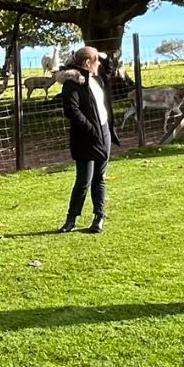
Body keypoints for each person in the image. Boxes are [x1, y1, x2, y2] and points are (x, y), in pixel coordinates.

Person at [58, 46, 119, 232]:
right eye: (96, 61)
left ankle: (98, 217)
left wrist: (103, 55)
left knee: (100, 177)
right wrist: (90, 128)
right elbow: (71, 110)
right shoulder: (73, 83)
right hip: (85, 135)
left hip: (104, 132)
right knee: (84, 179)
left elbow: (109, 67)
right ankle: (71, 219)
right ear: (87, 63)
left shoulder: (97, 78)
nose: (98, 64)